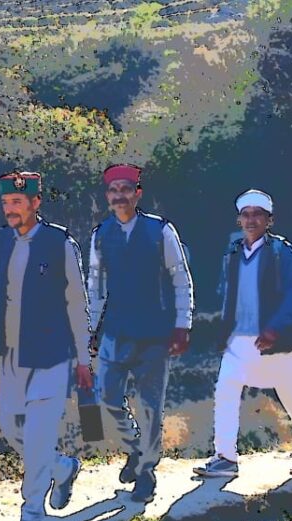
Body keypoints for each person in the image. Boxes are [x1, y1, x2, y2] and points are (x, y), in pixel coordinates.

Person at [0, 171, 92, 521]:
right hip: (12, 357)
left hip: (51, 357)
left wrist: (83, 357)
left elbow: (77, 303)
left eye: (17, 202)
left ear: (35, 203)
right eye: (6, 203)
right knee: (12, 428)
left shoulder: (60, 244)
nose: (10, 209)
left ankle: (31, 515)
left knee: (38, 435)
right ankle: (62, 467)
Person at [194, 189, 292, 478]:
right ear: (239, 219)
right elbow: (228, 295)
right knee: (225, 391)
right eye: (246, 214)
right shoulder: (233, 253)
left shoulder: (282, 252)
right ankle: (225, 457)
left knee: (291, 394)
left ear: (269, 220)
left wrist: (274, 329)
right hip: (239, 338)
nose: (251, 220)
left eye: (258, 214)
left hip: (276, 339)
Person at [87, 163, 194, 503]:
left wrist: (183, 325)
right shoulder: (101, 234)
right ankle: (135, 449)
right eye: (113, 190)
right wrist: (90, 329)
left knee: (150, 408)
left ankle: (146, 473)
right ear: (107, 196)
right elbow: (95, 286)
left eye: (125, 190)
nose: (119, 196)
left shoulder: (160, 231)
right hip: (115, 332)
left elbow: (180, 278)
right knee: (106, 398)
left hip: (154, 333)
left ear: (137, 194)